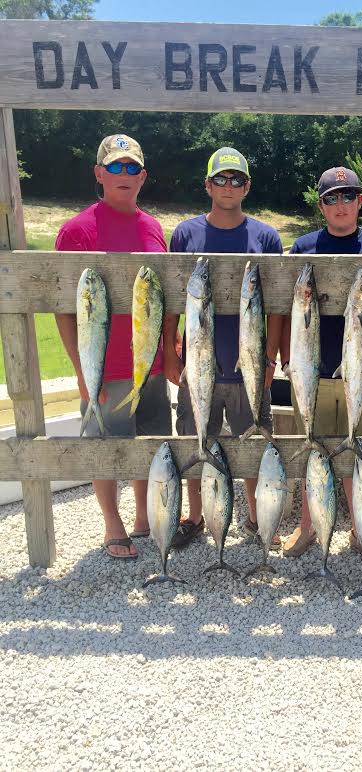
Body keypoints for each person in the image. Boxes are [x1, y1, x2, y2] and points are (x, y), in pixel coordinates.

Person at [55, 134, 181, 559]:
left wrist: (169, 352)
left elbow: (163, 300)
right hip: (104, 368)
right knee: (105, 447)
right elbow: (64, 310)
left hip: (150, 367)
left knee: (149, 441)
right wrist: (80, 371)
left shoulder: (153, 227)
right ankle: (113, 525)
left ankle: (145, 516)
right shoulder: (76, 230)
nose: (123, 175)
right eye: (115, 167)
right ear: (99, 173)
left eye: (132, 168)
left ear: (143, 177)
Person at [168, 147, 284, 549]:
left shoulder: (266, 236)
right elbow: (171, 297)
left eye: (237, 179)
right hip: (199, 366)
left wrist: (271, 358)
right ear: (208, 185)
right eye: (221, 178)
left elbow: (280, 305)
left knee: (253, 445)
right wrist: (170, 349)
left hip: (248, 367)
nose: (229, 186)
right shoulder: (185, 233)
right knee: (193, 440)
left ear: (247, 186)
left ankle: (254, 518)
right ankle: (195, 516)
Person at [280, 166, 362, 557]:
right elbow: (287, 310)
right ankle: (309, 526)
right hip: (311, 372)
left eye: (348, 196)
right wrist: (287, 360)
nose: (340, 204)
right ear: (321, 206)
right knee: (313, 449)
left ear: (360, 201)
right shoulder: (303, 248)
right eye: (332, 198)